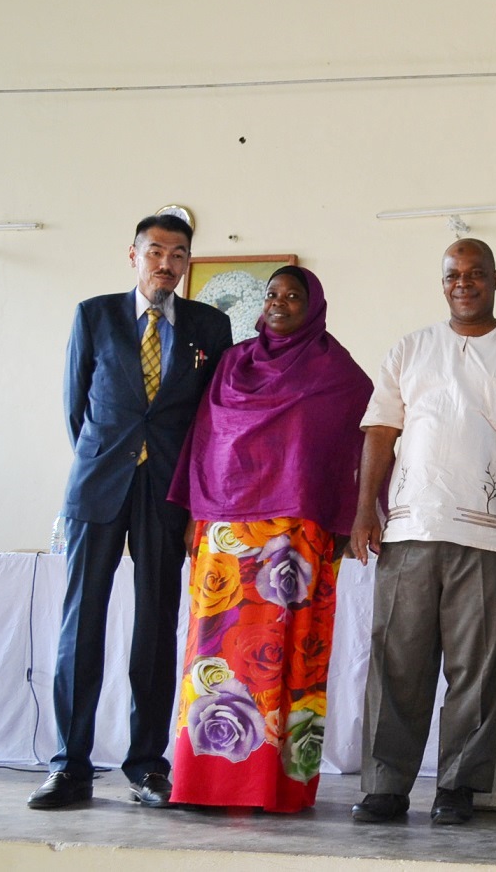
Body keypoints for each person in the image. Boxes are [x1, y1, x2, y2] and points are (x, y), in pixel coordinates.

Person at [28, 214, 233, 811]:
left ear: (188, 262)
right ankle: (69, 767)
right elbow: (76, 407)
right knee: (79, 626)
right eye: (155, 251)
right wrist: (105, 459)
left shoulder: (209, 326)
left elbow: (211, 421)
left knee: (154, 628)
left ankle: (146, 764)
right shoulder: (94, 315)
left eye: (178, 254)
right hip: (97, 487)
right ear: (133, 255)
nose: (166, 263)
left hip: (167, 492)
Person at [345, 239, 496, 827]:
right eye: (453, 275)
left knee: (478, 668)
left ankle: (457, 787)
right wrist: (366, 510)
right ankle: (385, 786)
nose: (464, 283)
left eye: (475, 274)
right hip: (410, 528)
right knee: (397, 664)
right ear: (442, 284)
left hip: (491, 535)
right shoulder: (410, 349)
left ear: (495, 279)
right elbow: (380, 432)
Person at [165, 266, 371, 812]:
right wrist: (195, 514)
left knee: (285, 660)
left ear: (314, 306)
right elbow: (205, 440)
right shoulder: (233, 364)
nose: (279, 303)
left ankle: (274, 788)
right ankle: (202, 782)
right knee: (215, 655)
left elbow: (355, 444)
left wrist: (344, 518)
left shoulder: (338, 372)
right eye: (273, 295)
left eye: (293, 297)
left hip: (293, 540)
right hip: (226, 533)